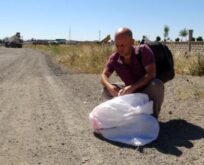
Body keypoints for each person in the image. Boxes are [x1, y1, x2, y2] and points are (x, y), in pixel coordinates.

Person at [101, 27, 164, 118]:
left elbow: (151, 74)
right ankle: (126, 113)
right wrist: (109, 86)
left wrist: (132, 87)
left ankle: (152, 117)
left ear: (132, 42)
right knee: (105, 91)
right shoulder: (115, 58)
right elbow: (104, 75)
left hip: (146, 90)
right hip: (130, 91)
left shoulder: (143, 50)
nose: (120, 49)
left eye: (123, 45)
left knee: (157, 85)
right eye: (117, 45)